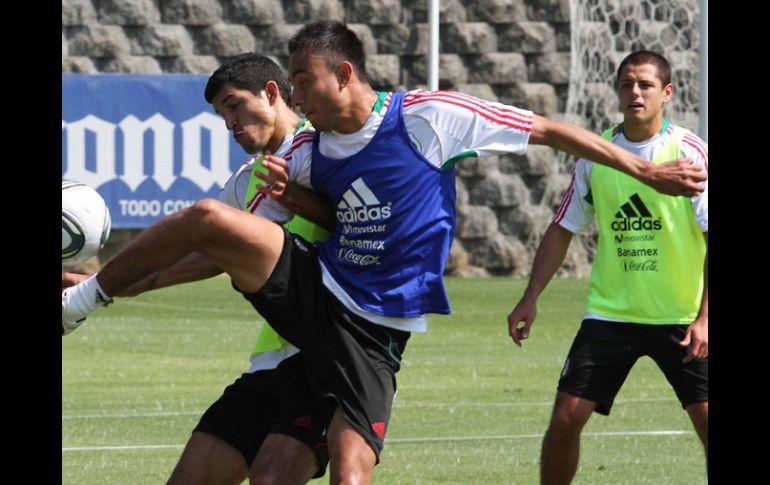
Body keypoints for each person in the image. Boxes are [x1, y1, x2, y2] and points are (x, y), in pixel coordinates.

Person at [63, 23, 707, 483]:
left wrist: (643, 171)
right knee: (209, 219)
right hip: (307, 314)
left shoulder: (426, 117)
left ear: (340, 75)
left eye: (302, 83)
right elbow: (227, 241)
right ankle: (79, 302)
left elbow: (543, 129)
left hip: (372, 331)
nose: (298, 96)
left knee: (340, 470)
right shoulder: (299, 157)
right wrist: (106, 287)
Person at [64, 53, 334, 484]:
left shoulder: (326, 151)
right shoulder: (250, 178)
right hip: (271, 362)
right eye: (221, 113)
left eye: (233, 105)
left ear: (269, 93)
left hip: (329, 358)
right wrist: (116, 284)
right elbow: (202, 251)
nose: (229, 123)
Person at [506, 50, 708, 484]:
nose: (634, 92)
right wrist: (530, 297)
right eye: (626, 84)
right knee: (565, 419)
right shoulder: (596, 153)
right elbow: (563, 227)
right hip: (611, 315)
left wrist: (706, 318)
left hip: (682, 316)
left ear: (666, 93)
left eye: (645, 85)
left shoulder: (689, 153)